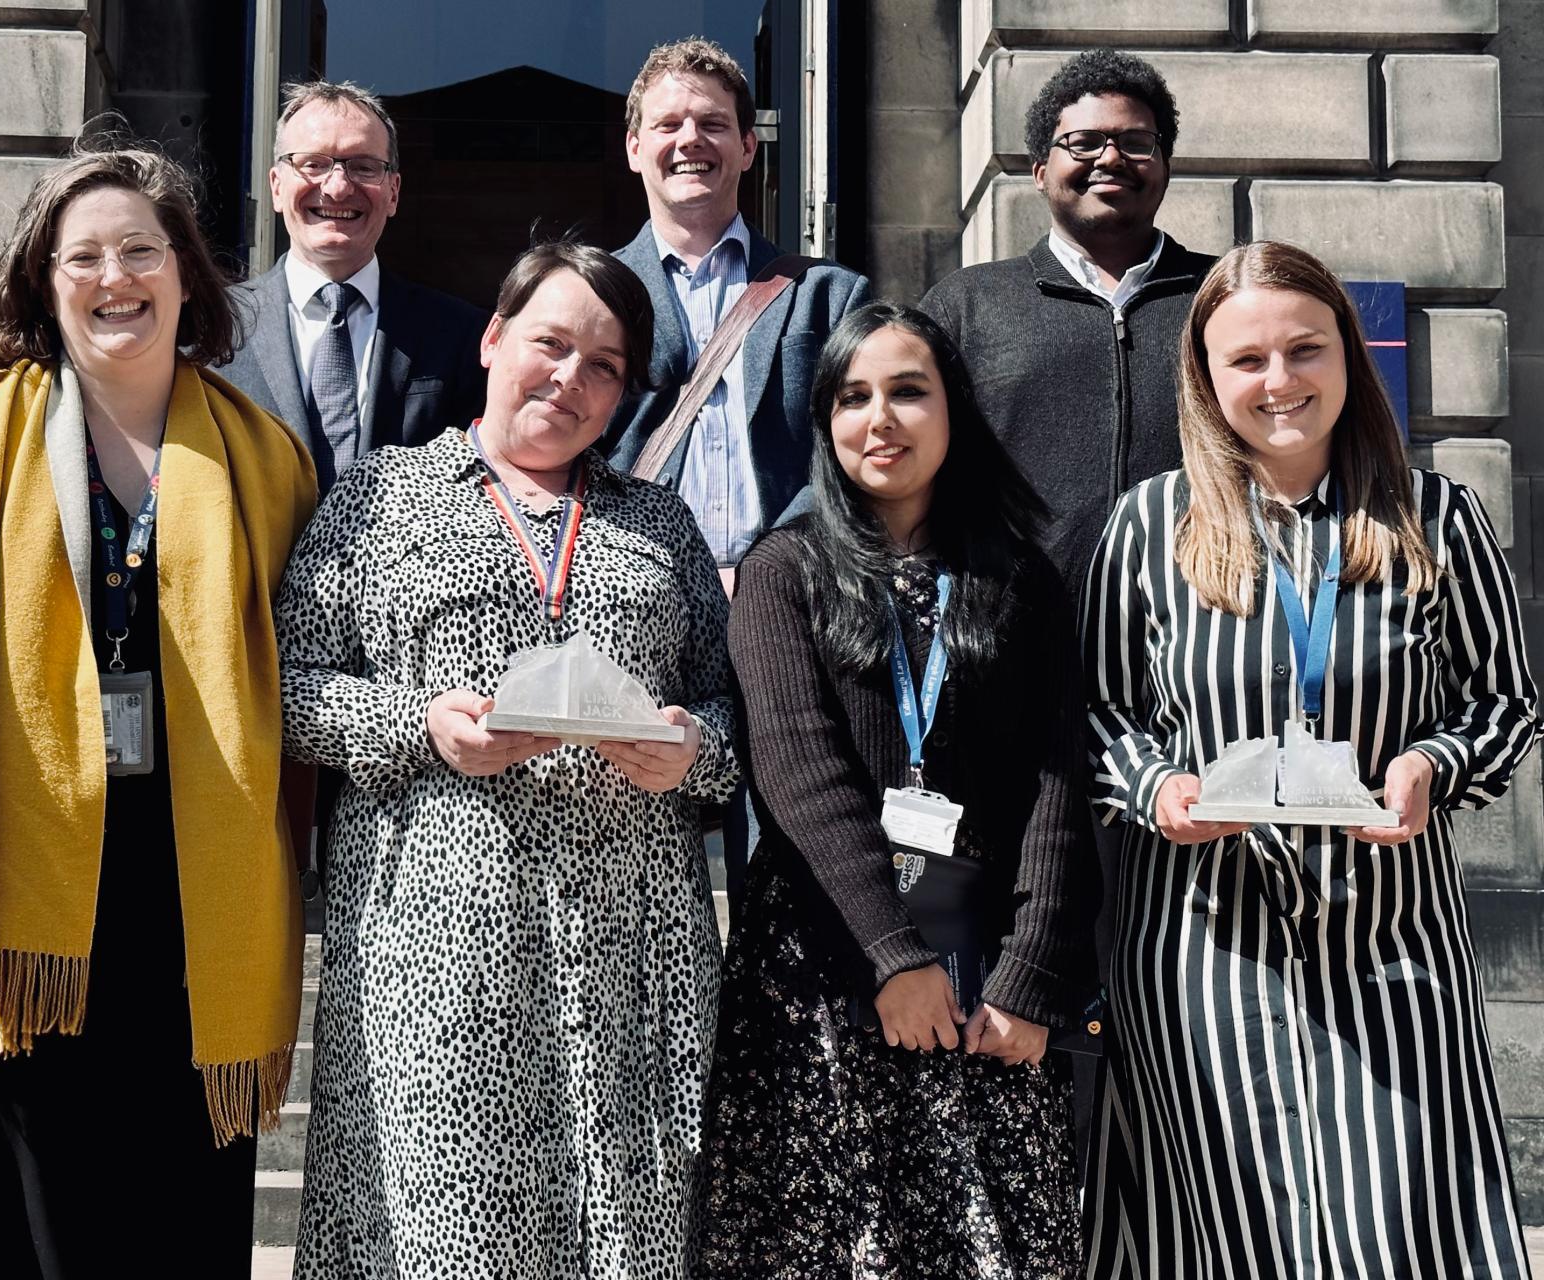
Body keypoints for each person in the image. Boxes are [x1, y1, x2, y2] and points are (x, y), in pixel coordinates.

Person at [0, 143, 317, 1278]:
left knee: (175, 1225)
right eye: (85, 256)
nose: (116, 277)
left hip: (189, 902)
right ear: (41, 280)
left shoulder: (266, 460)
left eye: (141, 251)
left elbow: (304, 694)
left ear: (186, 275)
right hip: (12, 889)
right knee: (23, 1227)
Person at [276, 240, 736, 1278]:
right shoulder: (379, 500)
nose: (571, 379)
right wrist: (420, 723)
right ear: (493, 340)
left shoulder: (656, 523)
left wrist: (689, 749)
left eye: (605, 365)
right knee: (445, 1231)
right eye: (551, 344)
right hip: (435, 949)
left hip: (630, 950)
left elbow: (731, 715)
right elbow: (288, 689)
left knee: (632, 1228)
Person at [1080, 241, 1539, 1277]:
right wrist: (1161, 789)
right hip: (1204, 939)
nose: (1279, 380)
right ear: (1205, 376)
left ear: (1347, 356)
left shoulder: (1439, 520)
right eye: (1247, 360)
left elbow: (1504, 704)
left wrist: (1433, 762)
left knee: (1400, 1219)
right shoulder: (1151, 527)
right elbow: (1099, 713)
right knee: (1224, 1224)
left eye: (1304, 349)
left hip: (1391, 936)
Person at [699, 302, 1097, 1279]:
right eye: (853, 396)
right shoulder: (782, 571)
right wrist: (892, 953)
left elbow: (1061, 783)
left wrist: (1030, 972)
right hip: (826, 971)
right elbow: (800, 773)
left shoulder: (1021, 579)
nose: (881, 417)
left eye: (908, 391)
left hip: (986, 981)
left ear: (953, 409)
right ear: (826, 422)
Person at [920, 49, 1216, 601]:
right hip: (1014, 647)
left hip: (1195, 645)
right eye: (1083, 143)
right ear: (1039, 173)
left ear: (1165, 166)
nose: (1111, 158)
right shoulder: (966, 305)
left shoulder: (1225, 298)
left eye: (1136, 142)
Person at [605, 37, 870, 575]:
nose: (690, 140)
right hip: (631, 595)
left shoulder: (829, 294)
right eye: (668, 124)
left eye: (713, 124)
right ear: (634, 149)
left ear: (748, 147)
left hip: (791, 596)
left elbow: (855, 450)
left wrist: (769, 573)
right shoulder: (590, 294)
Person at [224, 79, 487, 493]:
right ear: (276, 186)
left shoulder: (460, 336)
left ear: (394, 192)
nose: (337, 186)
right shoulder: (214, 327)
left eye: (364, 166)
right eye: (312, 164)